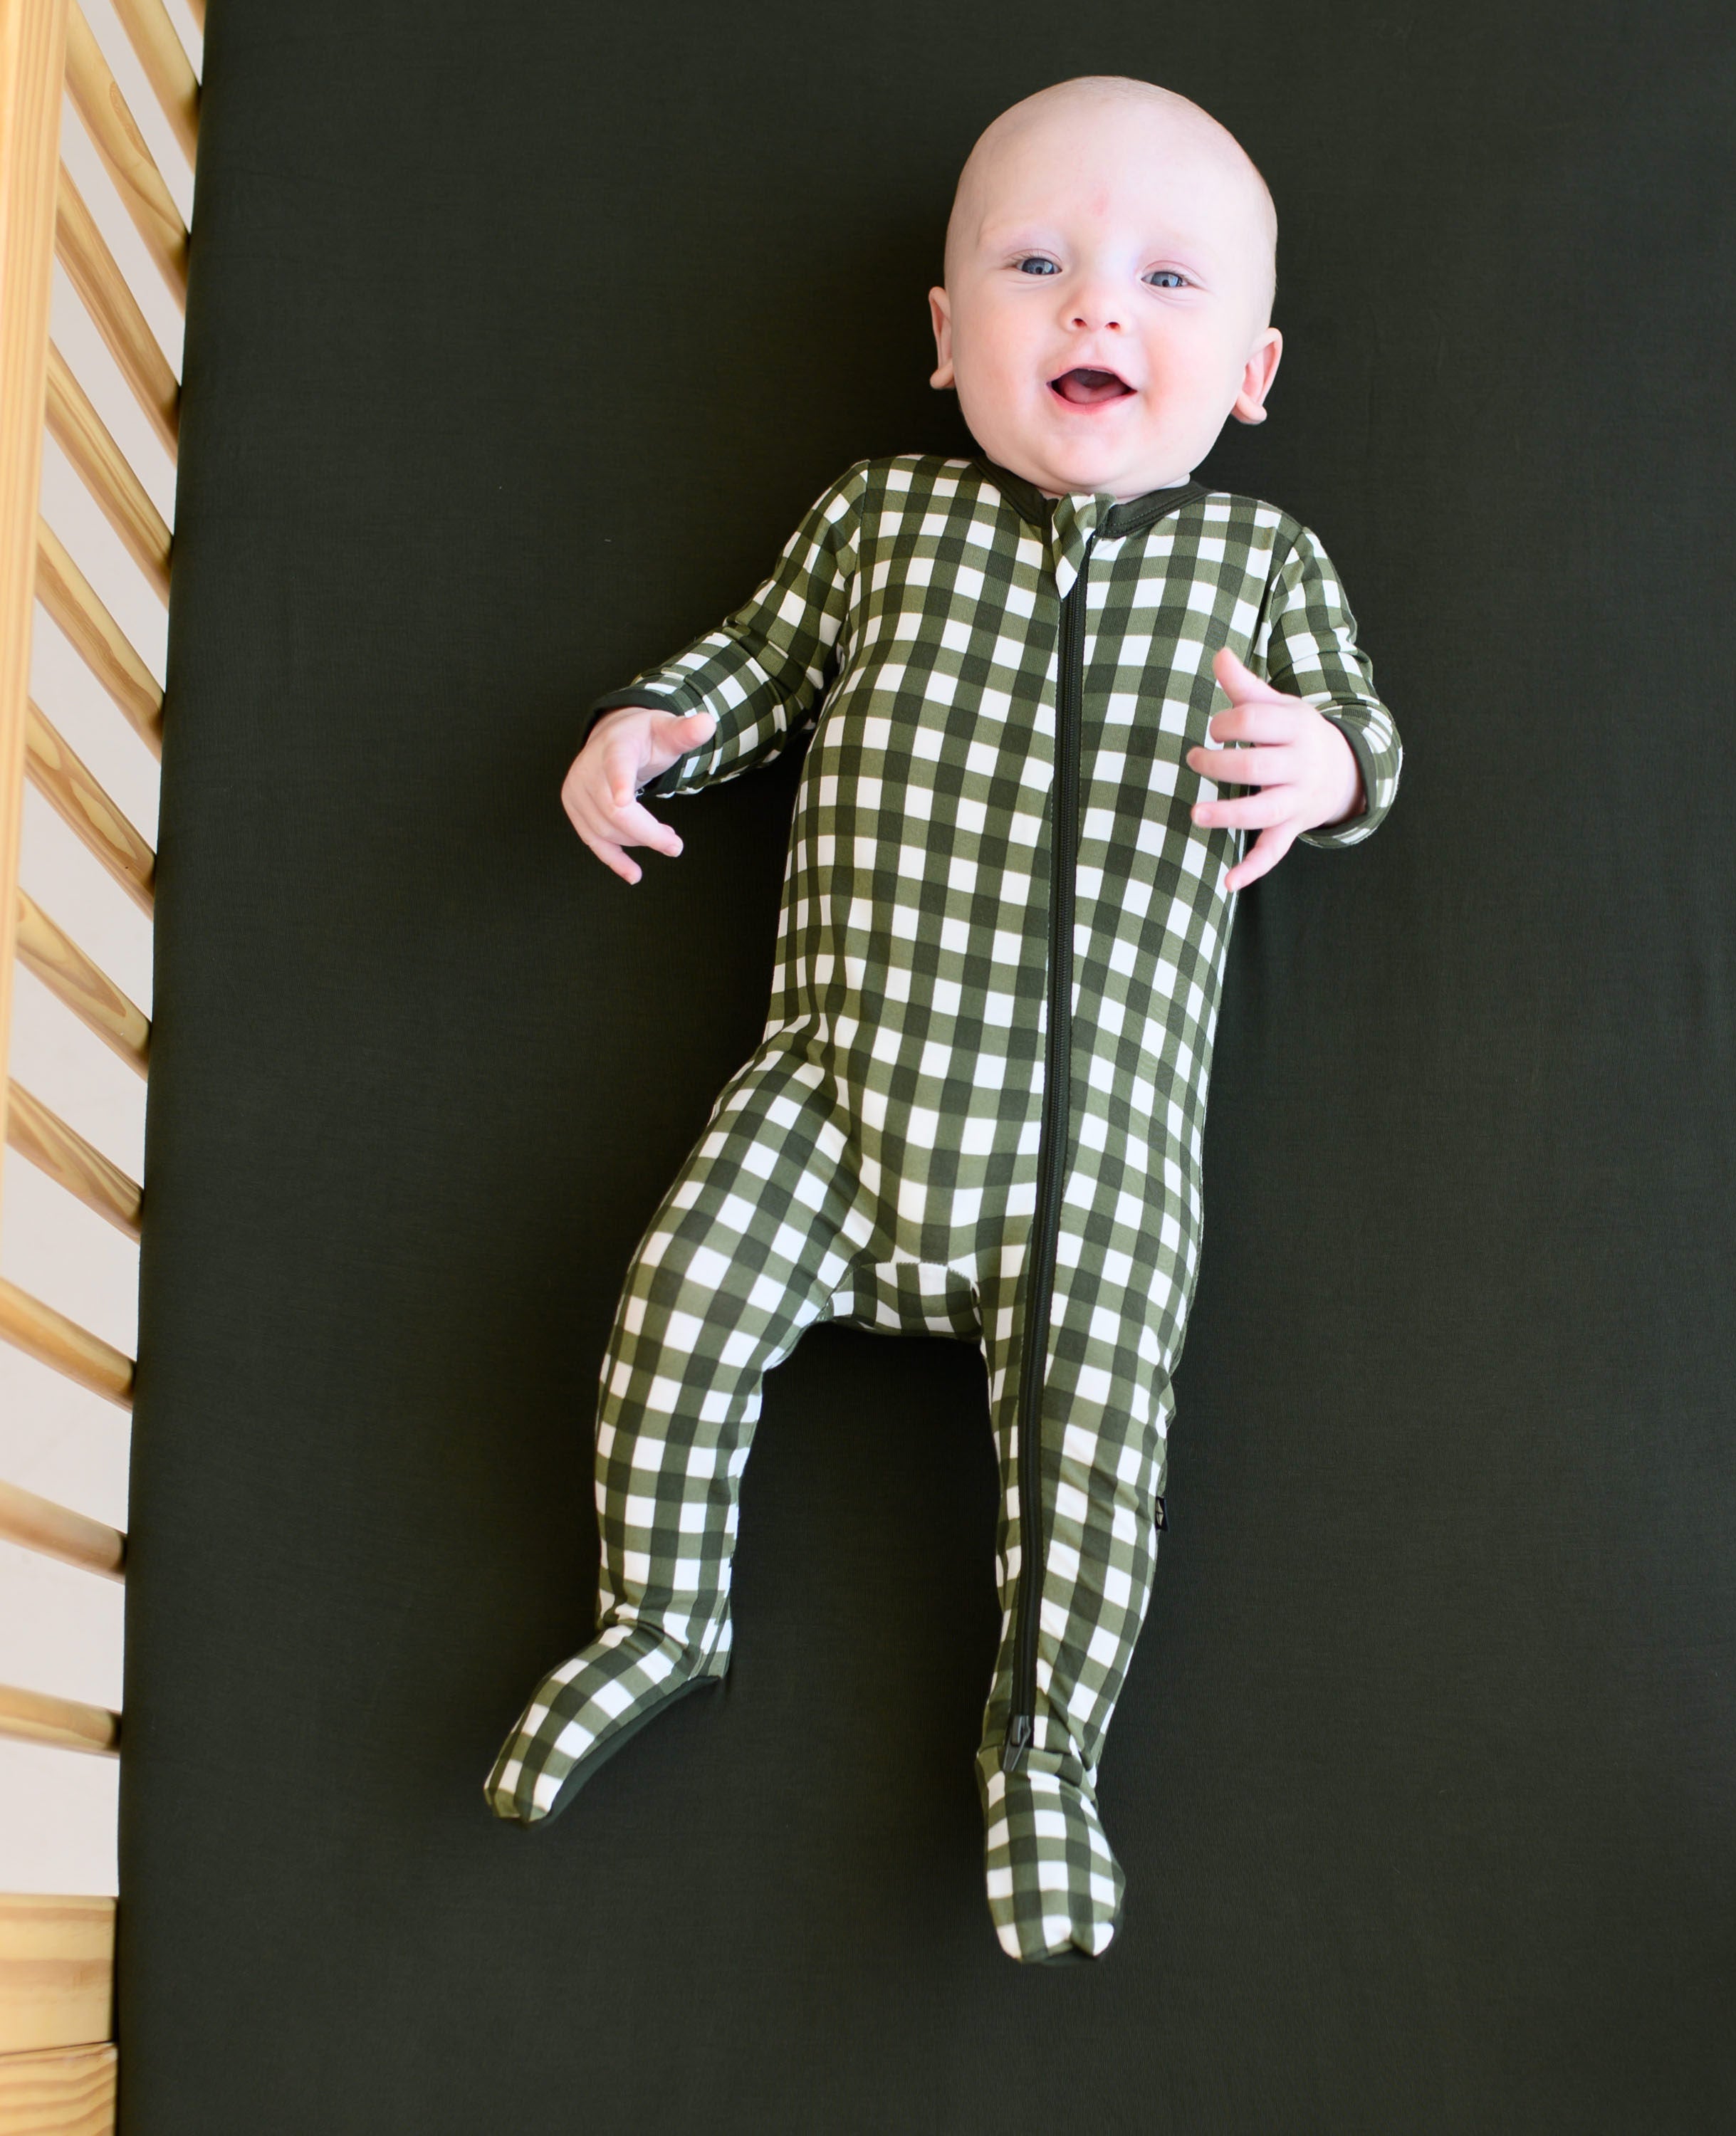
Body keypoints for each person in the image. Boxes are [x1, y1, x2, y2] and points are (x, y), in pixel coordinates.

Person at [484, 74, 1402, 1963]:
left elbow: (1368, 739)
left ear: (1252, 372)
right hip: (833, 1092)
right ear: (943, 337)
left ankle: (1045, 1754)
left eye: (1166, 281)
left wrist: (1323, 763)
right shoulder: (879, 524)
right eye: (1038, 264)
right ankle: (658, 1618)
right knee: (679, 1304)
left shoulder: (1264, 566)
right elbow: (753, 663)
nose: (1096, 311)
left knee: (1097, 1467)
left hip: (1098, 1164)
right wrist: (650, 726)